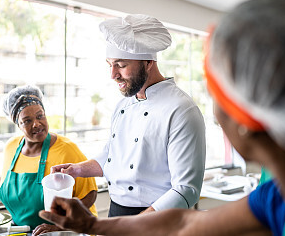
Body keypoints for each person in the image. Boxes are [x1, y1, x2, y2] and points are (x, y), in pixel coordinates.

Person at [38, 0, 285, 235]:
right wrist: (91, 219)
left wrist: (127, 223)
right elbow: (181, 219)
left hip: (152, 215)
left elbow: (184, 198)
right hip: (123, 215)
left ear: (248, 117)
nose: (113, 75)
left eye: (219, 91)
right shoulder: (274, 197)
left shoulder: (181, 108)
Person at [51, 14, 206, 217]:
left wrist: (138, 223)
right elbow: (112, 156)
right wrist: (77, 170)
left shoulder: (181, 110)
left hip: (159, 219)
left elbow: (187, 189)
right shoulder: (123, 105)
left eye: (121, 65)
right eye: (110, 65)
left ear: (148, 62)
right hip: (116, 212)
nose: (113, 75)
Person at [0, 85, 98, 235]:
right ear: (18, 125)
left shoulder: (66, 149)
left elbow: (90, 193)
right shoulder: (11, 148)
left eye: (40, 116)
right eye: (27, 120)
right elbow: (4, 179)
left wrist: (61, 226)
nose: (36, 124)